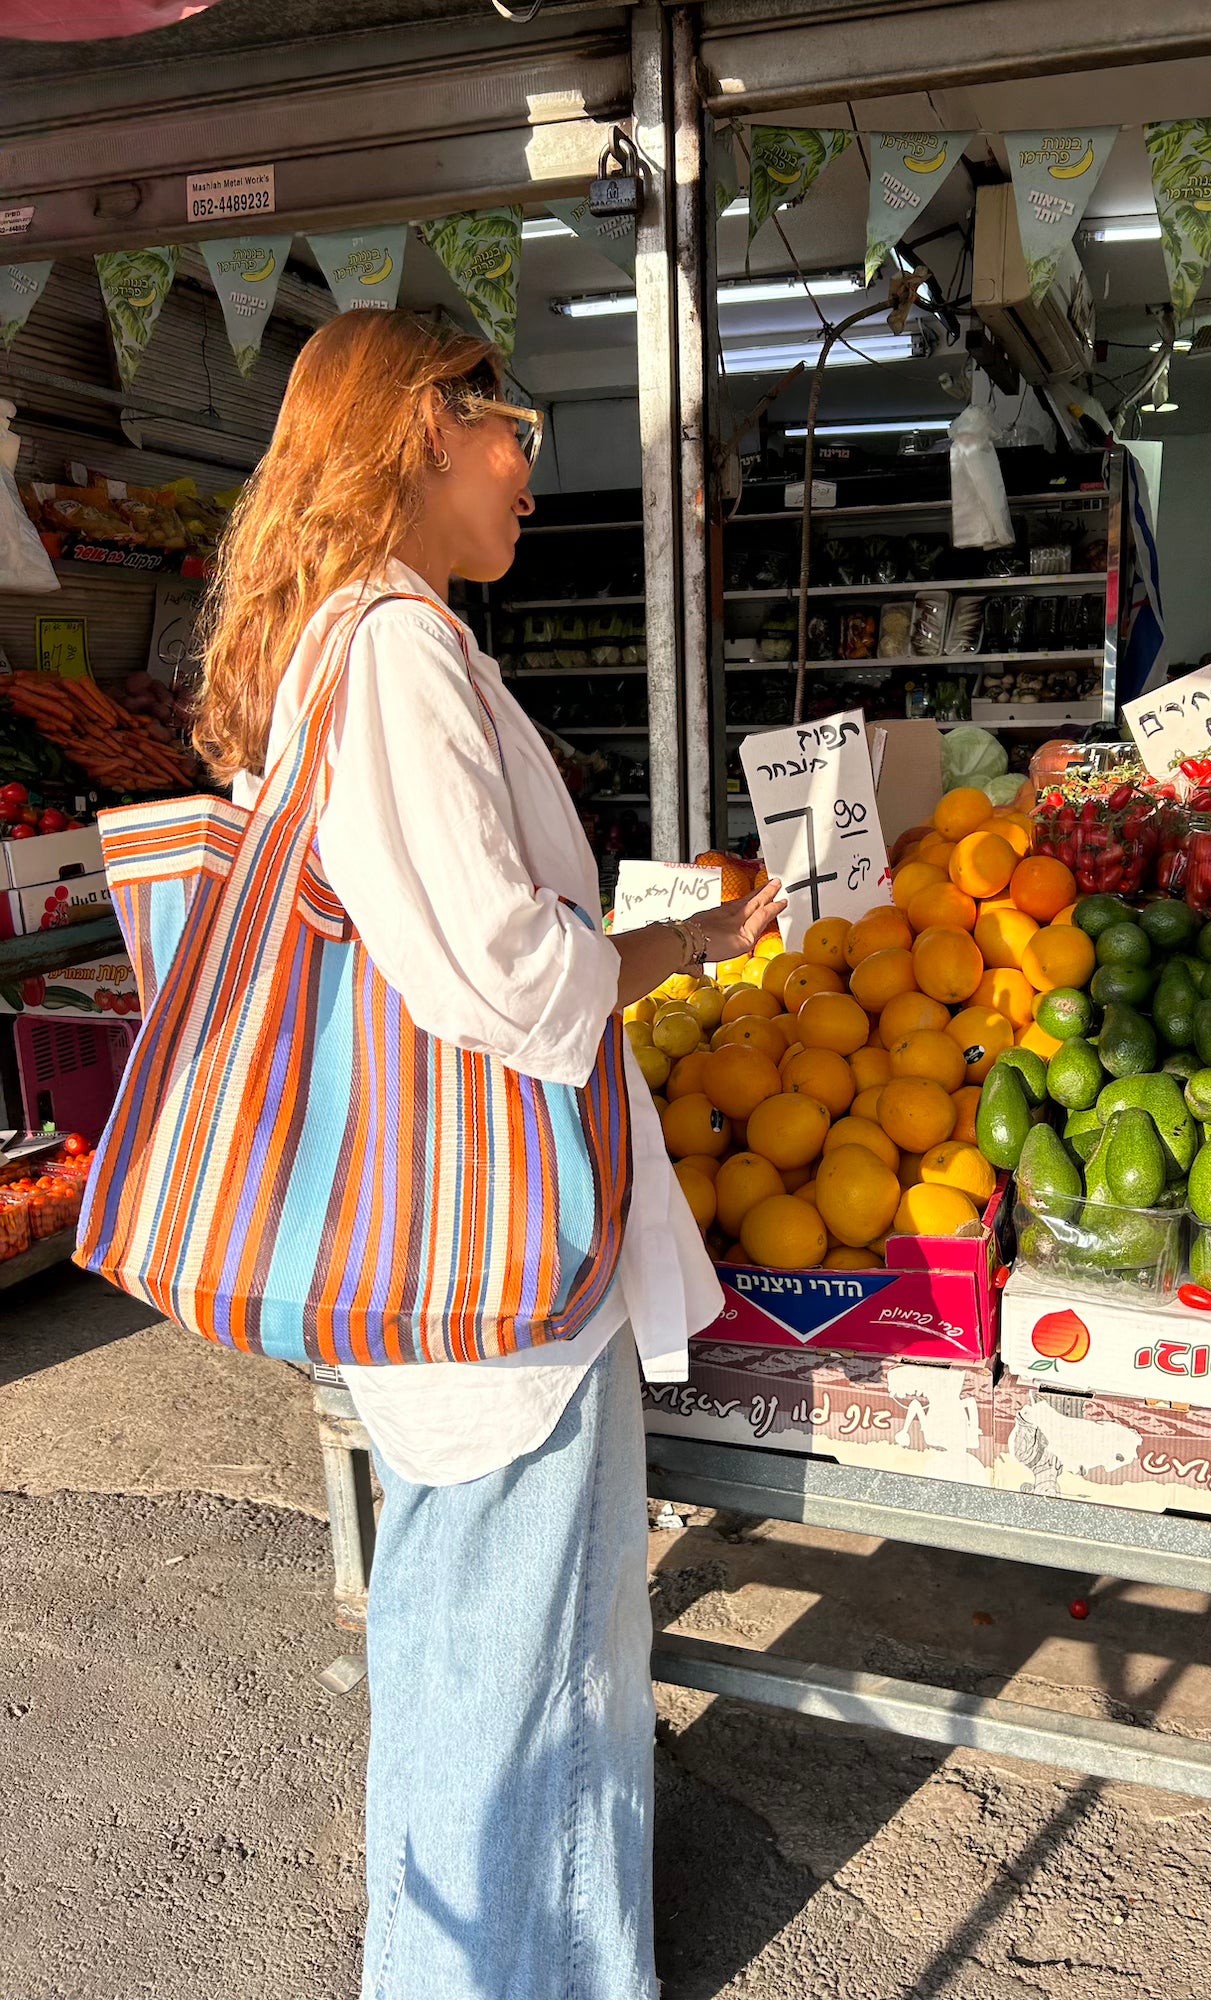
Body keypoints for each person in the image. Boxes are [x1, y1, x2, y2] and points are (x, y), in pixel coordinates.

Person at [192, 309, 784, 2000]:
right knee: (501, 1658)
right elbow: (510, 971)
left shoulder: (388, 642)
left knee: (540, 1646)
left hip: (486, 1253)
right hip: (491, 1264)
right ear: (415, 436)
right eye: (507, 419)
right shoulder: (387, 648)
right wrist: (675, 951)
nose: (534, 460)